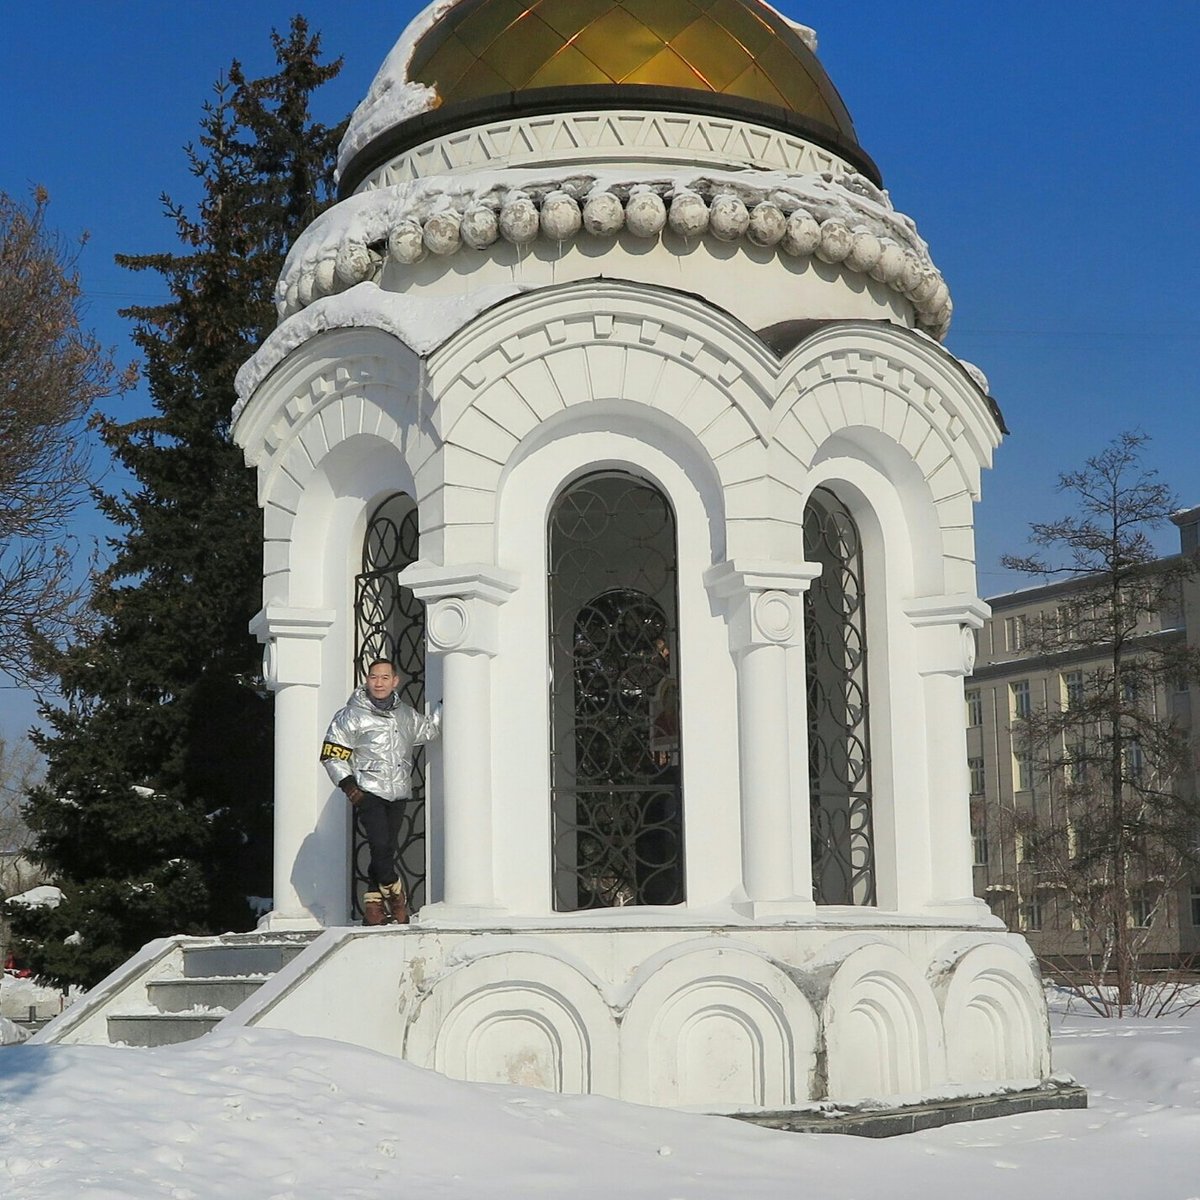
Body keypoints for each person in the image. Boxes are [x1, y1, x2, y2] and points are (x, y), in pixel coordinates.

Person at [320, 659, 440, 926]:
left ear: (395, 681)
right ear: (367, 680)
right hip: (368, 791)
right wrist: (349, 786)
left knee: (384, 850)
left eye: (385, 678)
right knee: (380, 846)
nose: (379, 683)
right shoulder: (350, 715)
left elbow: (429, 730)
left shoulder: (405, 714)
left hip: (398, 792)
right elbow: (332, 754)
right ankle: (396, 895)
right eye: (374, 677)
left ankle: (373, 907)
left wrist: (448, 703)